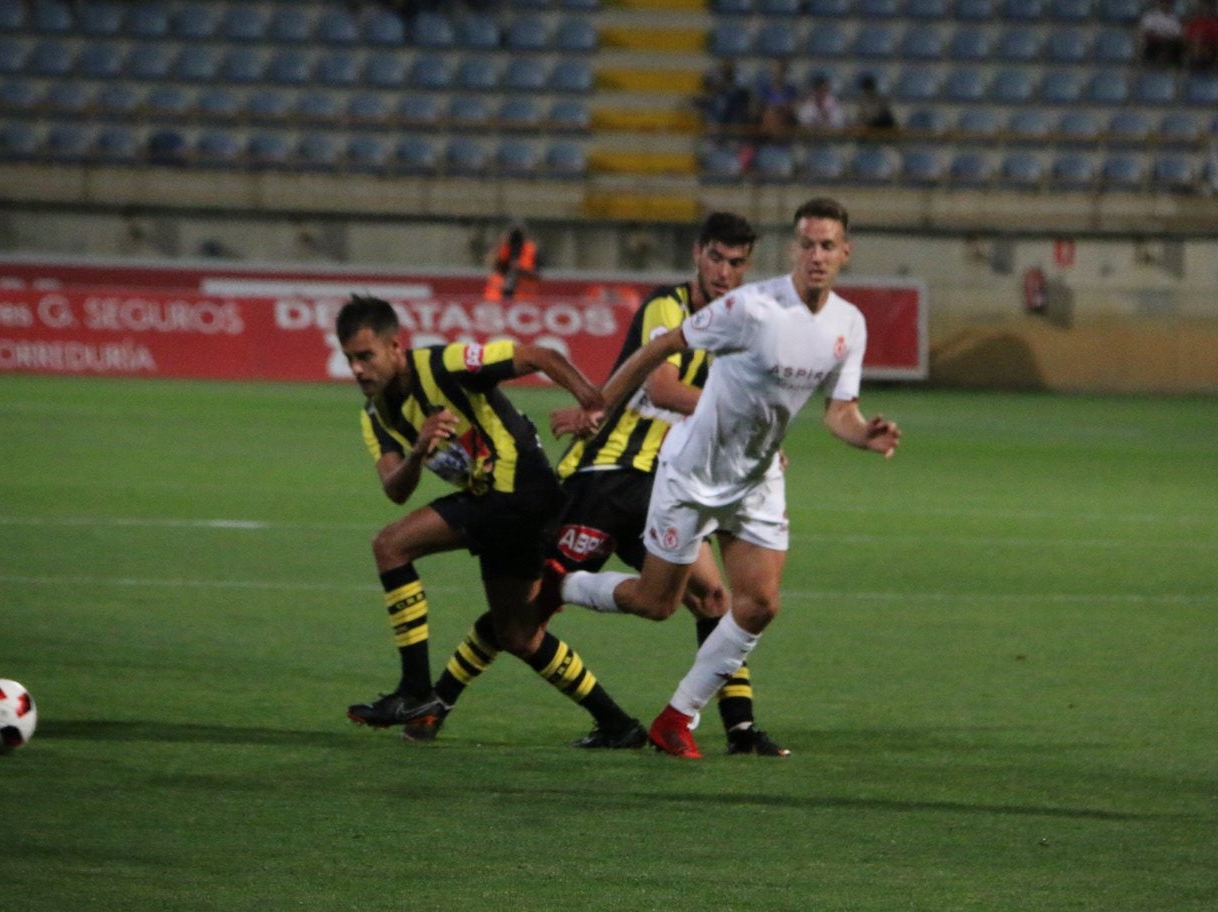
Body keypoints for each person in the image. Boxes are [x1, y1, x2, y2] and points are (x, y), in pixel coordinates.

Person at [543, 198, 901, 759]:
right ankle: (558, 585)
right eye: (807, 244)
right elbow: (662, 347)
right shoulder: (752, 307)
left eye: (827, 246)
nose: (816, 255)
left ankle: (676, 718)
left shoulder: (848, 325)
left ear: (845, 253)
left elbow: (839, 411)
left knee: (757, 603)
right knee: (657, 603)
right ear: (792, 249)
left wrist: (863, 435)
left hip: (757, 477)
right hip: (692, 471)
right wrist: (597, 403)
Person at [449, 213, 788, 755]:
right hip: (607, 472)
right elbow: (662, 385)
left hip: (670, 482)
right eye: (717, 258)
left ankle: (741, 729)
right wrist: (745, 422)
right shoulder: (667, 307)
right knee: (528, 605)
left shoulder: (742, 323)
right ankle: (437, 697)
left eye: (737, 263)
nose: (725, 272)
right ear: (697, 254)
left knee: (712, 598)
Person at [338, 295, 639, 745]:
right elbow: (395, 489)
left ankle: (417, 692)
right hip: (498, 505)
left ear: (395, 348)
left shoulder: (446, 364)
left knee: (390, 546)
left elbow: (540, 355)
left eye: (366, 356)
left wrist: (592, 404)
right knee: (516, 633)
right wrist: (419, 449)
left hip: (524, 489)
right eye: (350, 359)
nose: (359, 369)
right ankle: (619, 725)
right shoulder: (375, 416)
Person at [482, 225, 539, 302]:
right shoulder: (503, 248)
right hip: (499, 296)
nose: (515, 245)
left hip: (522, 295)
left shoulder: (531, 251)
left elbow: (536, 274)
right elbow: (495, 266)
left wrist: (521, 270)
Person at [1182, 0, 1218, 72]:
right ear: (1202, 8)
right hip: (1196, 47)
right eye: (1206, 7)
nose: (1207, 9)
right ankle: (1194, 63)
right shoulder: (1194, 23)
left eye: (1210, 7)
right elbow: (1187, 39)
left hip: (1212, 49)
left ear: (1213, 8)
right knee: (1196, 41)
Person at [1139, 0, 1184, 66]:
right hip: (1154, 45)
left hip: (1170, 45)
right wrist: (1165, 37)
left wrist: (1162, 36)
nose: (1166, 5)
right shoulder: (1150, 16)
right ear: (1160, 3)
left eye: (1168, 3)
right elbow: (1147, 34)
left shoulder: (1175, 19)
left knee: (1175, 46)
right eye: (1164, 3)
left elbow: (1178, 36)